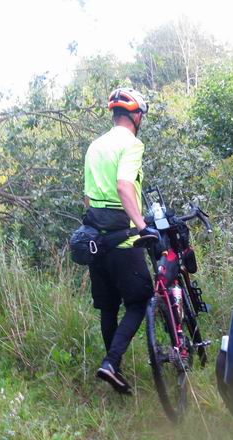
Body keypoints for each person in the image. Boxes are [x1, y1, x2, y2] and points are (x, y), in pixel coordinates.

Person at [83, 87, 159, 395]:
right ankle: (112, 363)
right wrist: (142, 227)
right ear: (136, 116)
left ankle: (114, 371)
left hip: (97, 239)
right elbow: (124, 186)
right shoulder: (132, 143)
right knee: (140, 301)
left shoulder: (95, 145)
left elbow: (88, 198)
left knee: (108, 308)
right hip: (125, 238)